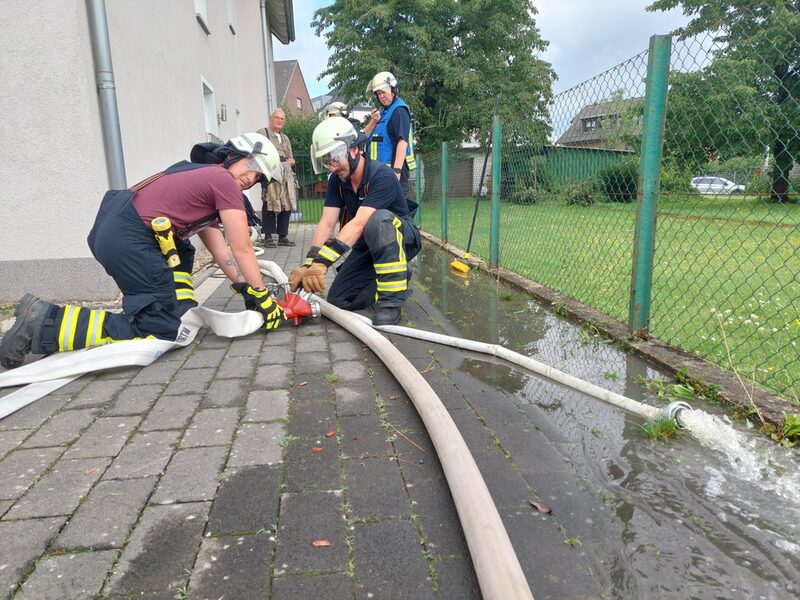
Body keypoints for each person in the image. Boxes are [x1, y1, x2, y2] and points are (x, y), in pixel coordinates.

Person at [0, 133, 287, 369]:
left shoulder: (206, 178)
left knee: (182, 251)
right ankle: (42, 321)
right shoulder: (222, 181)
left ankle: (174, 308)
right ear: (232, 156)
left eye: (259, 177)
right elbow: (242, 248)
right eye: (253, 167)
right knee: (156, 327)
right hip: (129, 236)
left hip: (118, 228)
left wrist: (244, 288)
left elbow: (222, 252)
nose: (252, 178)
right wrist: (262, 296)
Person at [289, 117, 420, 326]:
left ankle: (392, 304)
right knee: (339, 299)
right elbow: (327, 223)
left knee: (378, 220)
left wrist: (323, 263)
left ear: (354, 149)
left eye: (335, 158)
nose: (331, 167)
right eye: (326, 161)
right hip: (368, 242)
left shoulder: (382, 175)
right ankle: (399, 275)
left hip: (400, 237)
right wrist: (309, 263)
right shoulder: (337, 181)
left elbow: (359, 224)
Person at [364, 71, 417, 196]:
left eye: (384, 92)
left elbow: (402, 141)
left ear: (394, 90)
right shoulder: (383, 113)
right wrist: (373, 122)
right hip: (379, 173)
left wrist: (396, 172)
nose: (381, 96)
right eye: (378, 93)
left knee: (393, 213)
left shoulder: (399, 111)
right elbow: (363, 137)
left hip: (392, 173)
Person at [258, 109, 296, 248]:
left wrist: (288, 160)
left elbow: (291, 158)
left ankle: (282, 236)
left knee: (287, 204)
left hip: (286, 176)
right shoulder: (263, 133)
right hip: (271, 176)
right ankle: (267, 237)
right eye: (277, 118)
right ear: (270, 118)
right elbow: (258, 154)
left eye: (282, 119)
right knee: (270, 203)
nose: (280, 120)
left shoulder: (285, 138)